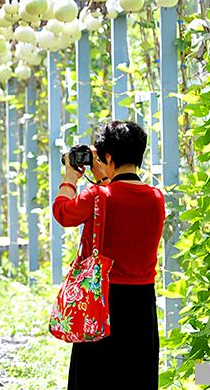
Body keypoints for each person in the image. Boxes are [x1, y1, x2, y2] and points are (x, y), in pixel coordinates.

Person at [51, 120, 166, 389]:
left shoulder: (96, 195)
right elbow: (119, 194)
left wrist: (71, 177)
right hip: (141, 303)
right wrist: (103, 174)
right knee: (136, 376)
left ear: (108, 157)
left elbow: (63, 213)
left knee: (95, 377)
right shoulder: (156, 197)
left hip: (102, 299)